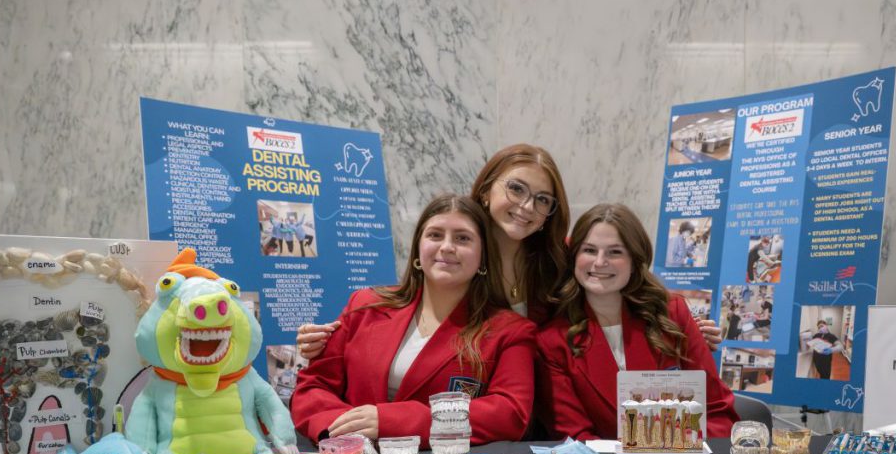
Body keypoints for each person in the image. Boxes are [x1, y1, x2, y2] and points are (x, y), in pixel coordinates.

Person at [295, 145, 724, 354]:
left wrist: (679, 325)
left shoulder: (563, 256)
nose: (526, 207)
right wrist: (333, 339)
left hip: (557, 409)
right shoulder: (453, 252)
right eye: (516, 189)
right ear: (485, 189)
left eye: (542, 200)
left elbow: (627, 287)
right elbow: (408, 313)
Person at [291, 194, 536, 446]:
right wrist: (345, 429)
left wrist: (391, 422)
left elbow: (510, 414)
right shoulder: (364, 305)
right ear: (418, 248)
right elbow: (312, 387)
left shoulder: (511, 331)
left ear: (483, 256)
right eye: (435, 235)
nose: (447, 247)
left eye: (463, 238)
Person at [536, 204, 738, 442]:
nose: (600, 262)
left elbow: (717, 412)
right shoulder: (551, 342)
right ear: (574, 258)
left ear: (635, 259)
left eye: (615, 252)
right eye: (589, 250)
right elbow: (576, 437)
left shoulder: (673, 314)